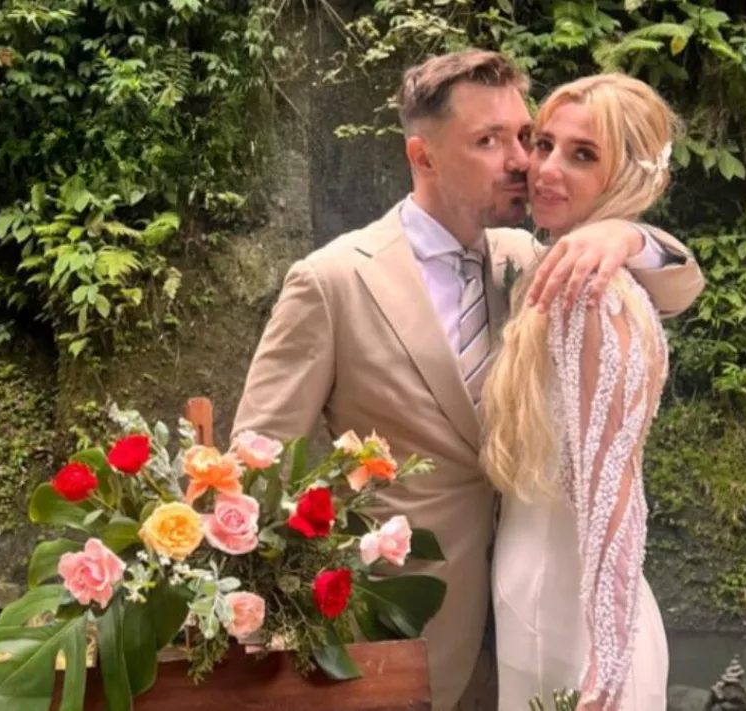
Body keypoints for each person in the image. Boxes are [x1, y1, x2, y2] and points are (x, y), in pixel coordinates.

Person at [232, 50, 703, 711]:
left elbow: (679, 287)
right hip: (399, 631)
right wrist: (277, 625)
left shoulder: (535, 259)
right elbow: (256, 469)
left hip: (531, 613)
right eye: (489, 141)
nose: (522, 161)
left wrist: (628, 235)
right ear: (422, 156)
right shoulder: (332, 281)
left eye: (523, 136)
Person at [482, 74, 681, 711]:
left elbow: (612, 491)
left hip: (565, 622)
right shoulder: (559, 268)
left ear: (626, 177)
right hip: (536, 599)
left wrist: (606, 671)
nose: (546, 170)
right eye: (544, 145)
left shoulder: (593, 295)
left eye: (582, 155)